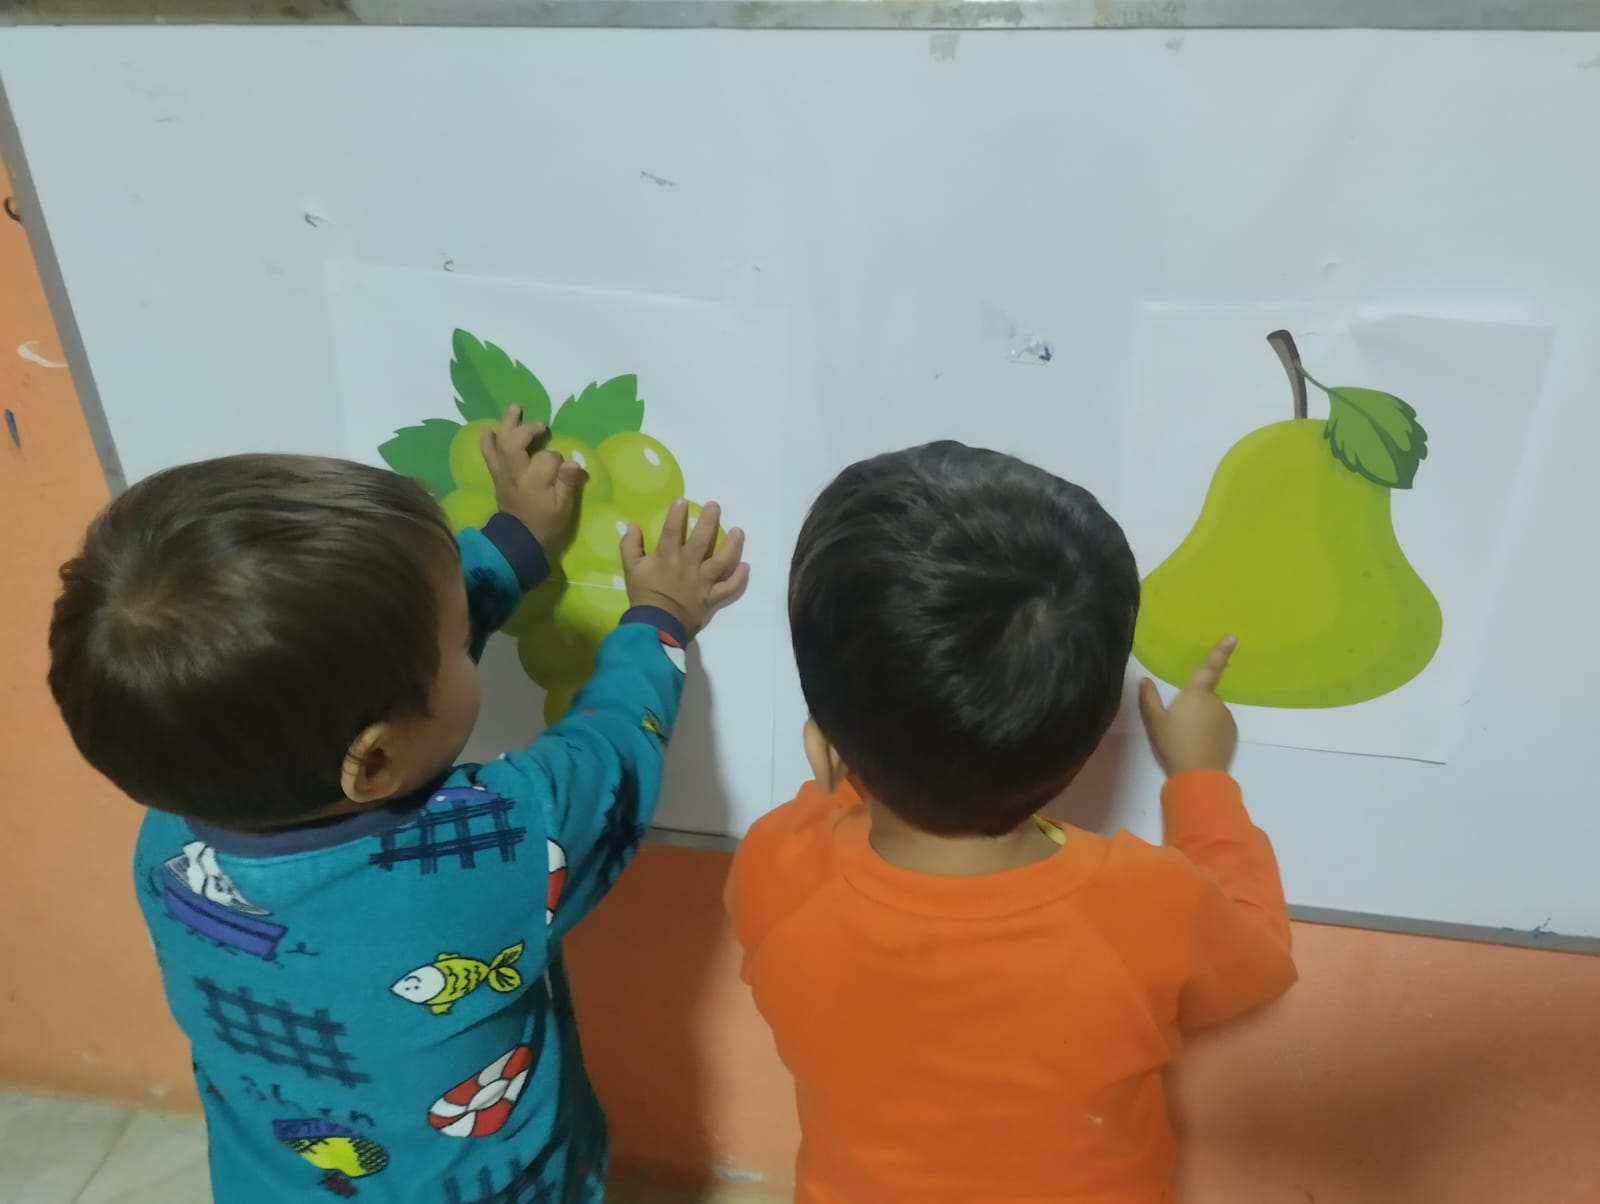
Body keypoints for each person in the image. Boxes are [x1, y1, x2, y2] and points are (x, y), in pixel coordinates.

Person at [47, 407, 747, 1204]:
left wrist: (514, 542)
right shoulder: (502, 846)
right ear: (374, 760)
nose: (463, 642)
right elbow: (612, 750)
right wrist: (660, 618)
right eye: (456, 642)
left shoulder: (174, 836)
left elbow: (344, 681)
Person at [729, 441, 1296, 1204]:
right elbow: (1259, 956)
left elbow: (838, 805)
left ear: (823, 753)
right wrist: (1200, 780)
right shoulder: (1147, 903)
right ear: (1091, 739)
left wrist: (859, 747)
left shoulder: (779, 867)